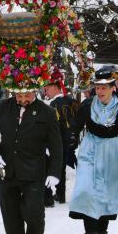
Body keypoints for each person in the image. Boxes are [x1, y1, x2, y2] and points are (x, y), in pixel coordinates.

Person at [0, 90, 63, 234]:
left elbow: (56, 145)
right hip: (6, 168)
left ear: (34, 92)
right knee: (10, 213)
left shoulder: (47, 112)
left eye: (26, 96)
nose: (23, 100)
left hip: (34, 171)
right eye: (19, 96)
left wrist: (54, 172)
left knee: (33, 211)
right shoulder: (3, 107)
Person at [68, 66, 118, 234]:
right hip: (90, 148)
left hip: (113, 150)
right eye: (97, 87)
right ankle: (89, 231)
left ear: (113, 87)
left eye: (104, 87)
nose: (99, 91)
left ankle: (102, 230)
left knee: (108, 191)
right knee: (86, 188)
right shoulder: (87, 105)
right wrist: (72, 141)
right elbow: (75, 126)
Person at [43, 72, 79, 204]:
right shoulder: (72, 101)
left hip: (55, 142)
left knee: (49, 167)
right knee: (61, 168)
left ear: (55, 87)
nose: (46, 91)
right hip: (68, 142)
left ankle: (47, 198)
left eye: (48, 88)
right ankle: (60, 195)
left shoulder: (53, 105)